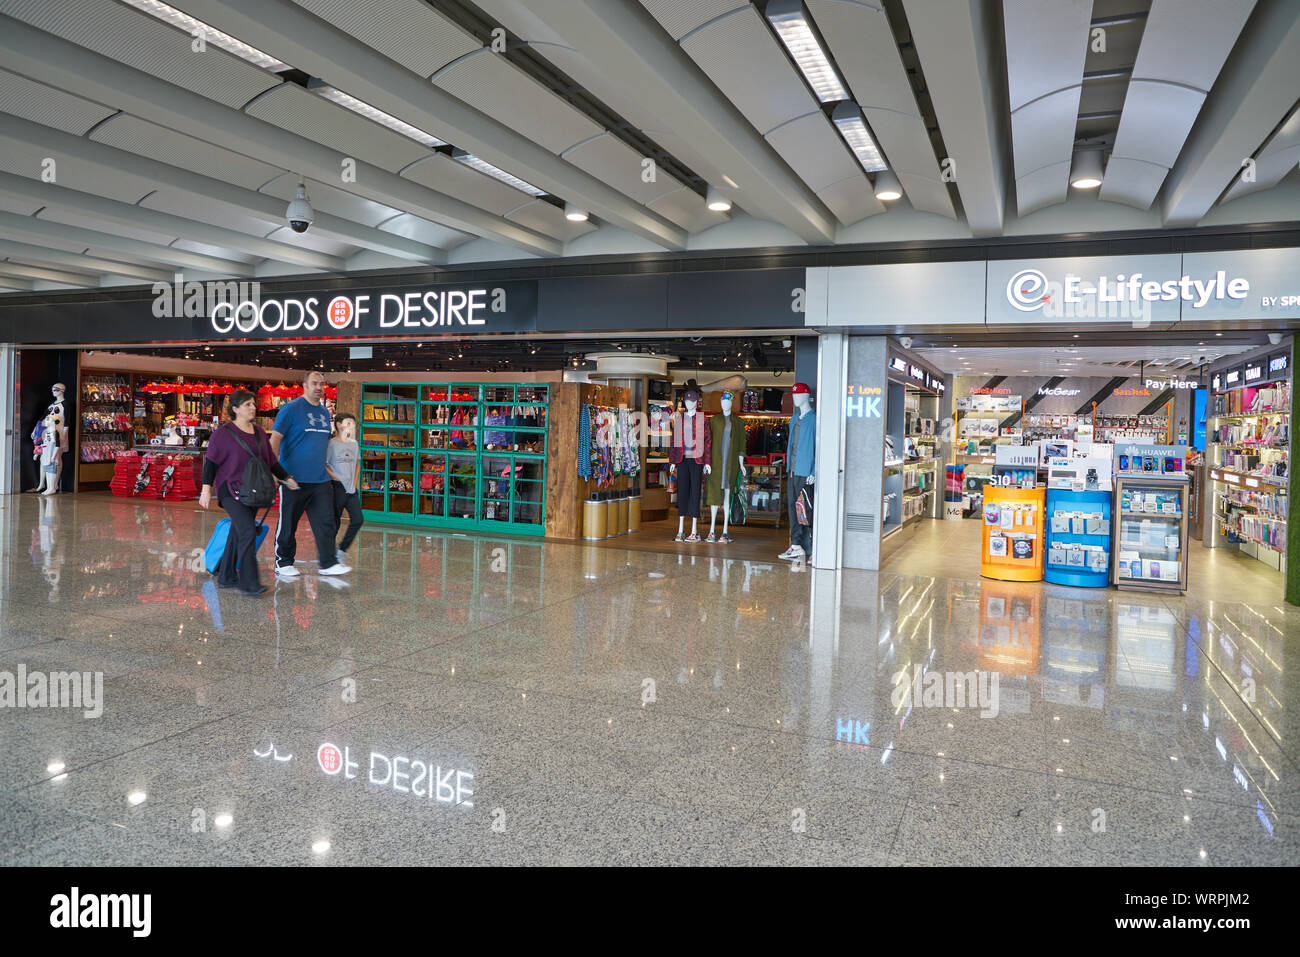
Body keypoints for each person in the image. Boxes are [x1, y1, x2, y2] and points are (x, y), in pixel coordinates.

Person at [199, 389, 298, 596]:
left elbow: (270, 461)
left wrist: (287, 478)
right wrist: (206, 490)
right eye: (247, 405)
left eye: (253, 404)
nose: (253, 408)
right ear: (235, 409)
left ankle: (226, 576)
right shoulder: (222, 434)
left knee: (238, 532)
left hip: (252, 490)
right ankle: (249, 583)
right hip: (229, 490)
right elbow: (211, 463)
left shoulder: (260, 432)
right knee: (246, 531)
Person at [270, 371, 351, 577]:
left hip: (320, 480)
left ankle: (328, 563)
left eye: (322, 384)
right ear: (304, 385)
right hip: (293, 479)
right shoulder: (290, 410)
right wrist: (274, 471)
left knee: (326, 522)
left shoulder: (324, 413)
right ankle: (284, 562)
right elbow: (275, 440)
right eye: (314, 383)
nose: (319, 387)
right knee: (288, 523)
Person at [326, 412, 363, 558]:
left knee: (358, 519)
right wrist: (336, 477)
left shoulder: (354, 444)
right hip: (336, 488)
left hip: (351, 488)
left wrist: (355, 483)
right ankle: (328, 552)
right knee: (335, 522)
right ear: (338, 425)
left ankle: (341, 550)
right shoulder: (331, 444)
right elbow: (324, 465)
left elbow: (357, 464)